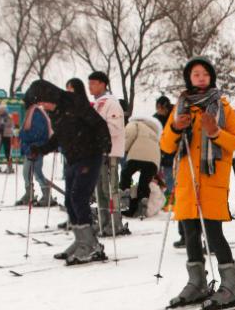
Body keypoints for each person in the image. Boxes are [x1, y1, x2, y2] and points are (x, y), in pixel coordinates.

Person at [160, 56, 235, 309]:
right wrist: (176, 128)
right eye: (195, 74)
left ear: (211, 78)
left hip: (211, 180)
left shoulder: (222, 106)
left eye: (205, 74)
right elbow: (166, 145)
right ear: (189, 77)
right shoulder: (181, 107)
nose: (200, 78)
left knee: (213, 233)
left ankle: (231, 284)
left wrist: (215, 132)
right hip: (187, 180)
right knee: (190, 232)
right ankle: (196, 282)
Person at [27, 78, 111, 264]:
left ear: (48, 96)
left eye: (42, 102)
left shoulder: (74, 103)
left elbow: (98, 123)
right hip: (73, 159)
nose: (42, 107)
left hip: (90, 155)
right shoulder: (55, 113)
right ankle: (81, 240)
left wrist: (105, 145)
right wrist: (40, 150)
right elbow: (58, 137)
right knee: (69, 201)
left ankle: (90, 246)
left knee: (78, 197)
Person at [87, 71, 127, 236]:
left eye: (93, 83)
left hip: (109, 152)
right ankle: (103, 220)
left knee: (109, 188)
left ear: (103, 84)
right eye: (89, 83)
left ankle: (115, 222)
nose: (90, 86)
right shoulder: (97, 104)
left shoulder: (111, 103)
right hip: (97, 153)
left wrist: (95, 134)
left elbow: (115, 128)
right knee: (99, 188)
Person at [120, 113, 161, 217]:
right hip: (154, 161)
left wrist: (123, 150)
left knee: (126, 174)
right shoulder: (153, 131)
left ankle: (125, 198)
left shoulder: (135, 123)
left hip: (138, 155)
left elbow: (129, 135)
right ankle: (143, 202)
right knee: (143, 183)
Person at [17, 100, 54, 207]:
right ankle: (29, 194)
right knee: (27, 173)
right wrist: (20, 134)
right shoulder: (31, 112)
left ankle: (47, 196)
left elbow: (36, 134)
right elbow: (26, 131)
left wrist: (24, 138)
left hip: (35, 148)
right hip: (30, 148)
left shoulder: (37, 114)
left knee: (36, 172)